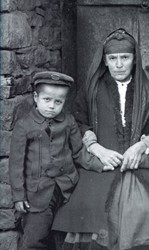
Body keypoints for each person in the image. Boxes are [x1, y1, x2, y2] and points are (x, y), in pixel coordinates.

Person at [52, 28, 149, 250]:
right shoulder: (91, 90)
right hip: (102, 164)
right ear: (105, 61)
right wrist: (96, 148)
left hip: (139, 165)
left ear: (135, 59)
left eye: (125, 58)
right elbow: (78, 121)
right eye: (113, 58)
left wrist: (141, 146)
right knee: (89, 208)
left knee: (145, 209)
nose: (119, 64)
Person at [9, 71, 84, 250]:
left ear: (64, 101)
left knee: (62, 239)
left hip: (66, 191)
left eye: (58, 102)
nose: (52, 106)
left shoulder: (68, 122)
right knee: (35, 237)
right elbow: (16, 164)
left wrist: (102, 163)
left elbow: (79, 152)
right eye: (47, 100)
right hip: (36, 195)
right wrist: (18, 196)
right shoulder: (24, 125)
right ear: (36, 97)